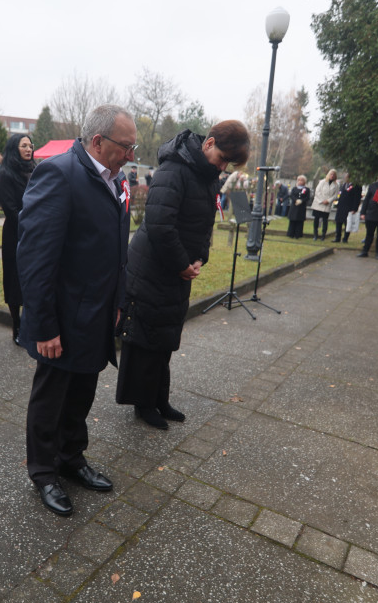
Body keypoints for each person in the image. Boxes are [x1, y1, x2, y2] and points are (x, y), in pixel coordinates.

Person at [17, 104, 134, 517]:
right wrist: (44, 325)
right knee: (51, 397)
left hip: (99, 313)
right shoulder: (60, 174)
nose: (131, 155)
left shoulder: (116, 180)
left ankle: (71, 457)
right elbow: (35, 257)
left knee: (83, 391)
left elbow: (118, 250)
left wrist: (118, 303)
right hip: (62, 318)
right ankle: (44, 471)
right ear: (98, 142)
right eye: (126, 146)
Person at [117, 121, 250, 429]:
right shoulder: (173, 170)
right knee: (146, 338)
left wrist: (199, 257)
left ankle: (159, 398)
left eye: (228, 162)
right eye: (222, 157)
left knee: (165, 338)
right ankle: (143, 403)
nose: (223, 165)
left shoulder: (207, 175)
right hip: (153, 266)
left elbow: (205, 223)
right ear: (209, 143)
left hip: (176, 268)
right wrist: (181, 263)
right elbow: (160, 224)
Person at [0, 133, 35, 345]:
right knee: (14, 280)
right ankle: (17, 326)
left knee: (33, 278)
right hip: (16, 233)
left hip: (35, 234)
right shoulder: (6, 174)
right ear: (15, 148)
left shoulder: (36, 170)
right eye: (24, 146)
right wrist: (31, 223)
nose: (29, 149)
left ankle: (31, 323)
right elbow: (10, 210)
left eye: (30, 145)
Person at [311, 169, 340, 241]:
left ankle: (323, 235)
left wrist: (328, 200)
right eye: (331, 174)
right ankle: (315, 234)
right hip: (319, 203)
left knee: (325, 220)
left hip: (327, 204)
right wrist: (322, 200)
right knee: (316, 219)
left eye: (333, 175)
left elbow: (335, 195)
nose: (332, 176)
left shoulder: (336, 185)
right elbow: (317, 191)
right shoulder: (322, 182)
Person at [333, 176, 361, 243]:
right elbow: (340, 195)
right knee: (338, 222)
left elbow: (357, 198)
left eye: (347, 177)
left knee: (347, 223)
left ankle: (345, 238)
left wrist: (355, 208)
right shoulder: (344, 185)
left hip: (349, 208)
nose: (346, 178)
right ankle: (337, 237)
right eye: (345, 177)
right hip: (341, 207)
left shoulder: (356, 186)